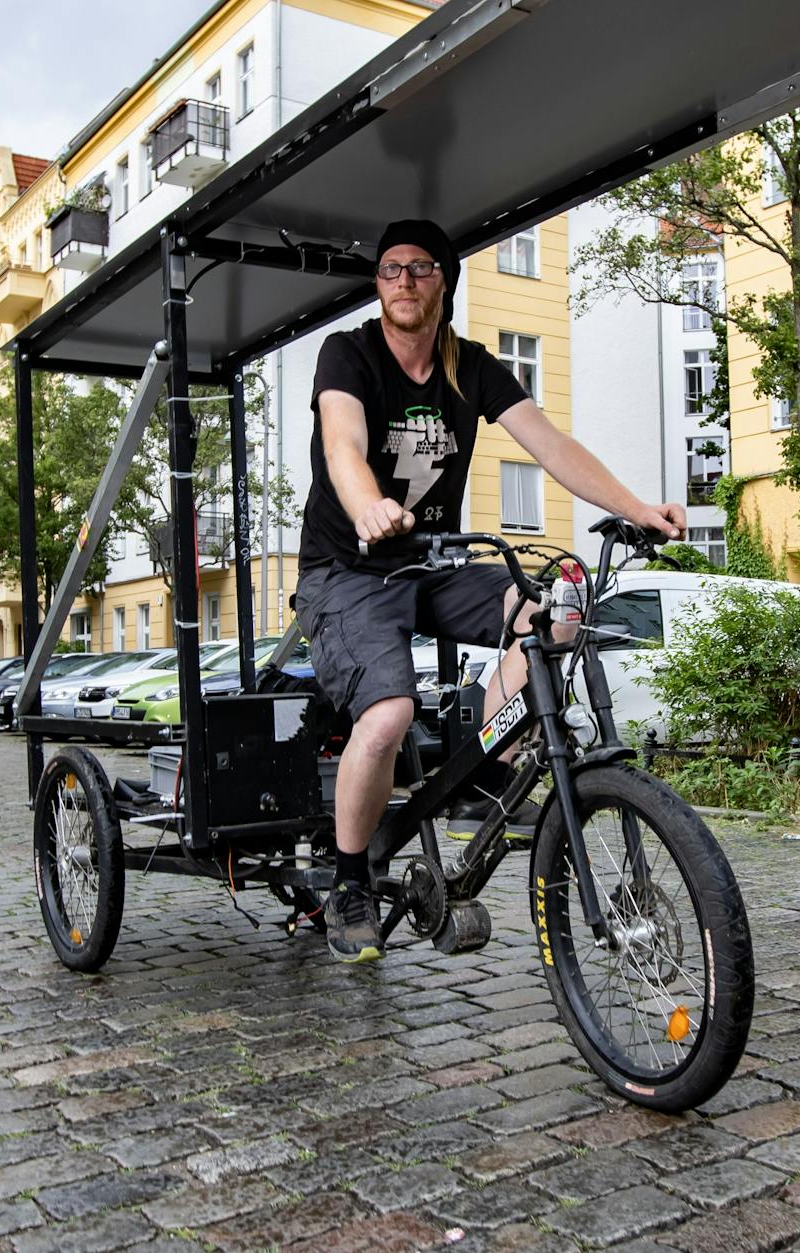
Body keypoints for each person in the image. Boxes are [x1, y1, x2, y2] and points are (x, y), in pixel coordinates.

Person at [295, 219, 686, 963]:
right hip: (348, 569)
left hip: (435, 564)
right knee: (386, 715)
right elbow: (341, 443)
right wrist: (367, 504)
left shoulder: (470, 366)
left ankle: (484, 761)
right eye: (390, 270)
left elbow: (551, 444)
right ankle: (349, 880)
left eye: (419, 269)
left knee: (556, 616)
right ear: (378, 285)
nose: (403, 281)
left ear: (444, 280)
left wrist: (637, 507)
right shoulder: (348, 353)